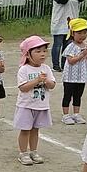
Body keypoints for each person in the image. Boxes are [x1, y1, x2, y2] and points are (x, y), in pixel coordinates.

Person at [15, 35, 56, 165]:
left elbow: (52, 85)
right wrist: (37, 80)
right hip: (26, 105)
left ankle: (33, 151)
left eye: (44, 51)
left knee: (35, 130)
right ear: (28, 54)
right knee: (25, 130)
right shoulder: (24, 69)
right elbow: (23, 88)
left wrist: (46, 81)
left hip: (41, 105)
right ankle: (23, 153)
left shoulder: (46, 68)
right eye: (38, 51)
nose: (42, 54)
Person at [61, 18, 87, 125]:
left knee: (78, 95)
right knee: (67, 95)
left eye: (84, 32)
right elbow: (70, 61)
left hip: (81, 76)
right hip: (70, 77)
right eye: (79, 33)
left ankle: (76, 114)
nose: (82, 35)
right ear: (73, 33)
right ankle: (65, 115)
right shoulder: (71, 46)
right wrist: (82, 54)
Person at [50, 0, 85, 72]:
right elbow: (63, 0)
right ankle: (56, 65)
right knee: (58, 44)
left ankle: (64, 64)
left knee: (68, 45)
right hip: (60, 21)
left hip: (72, 22)